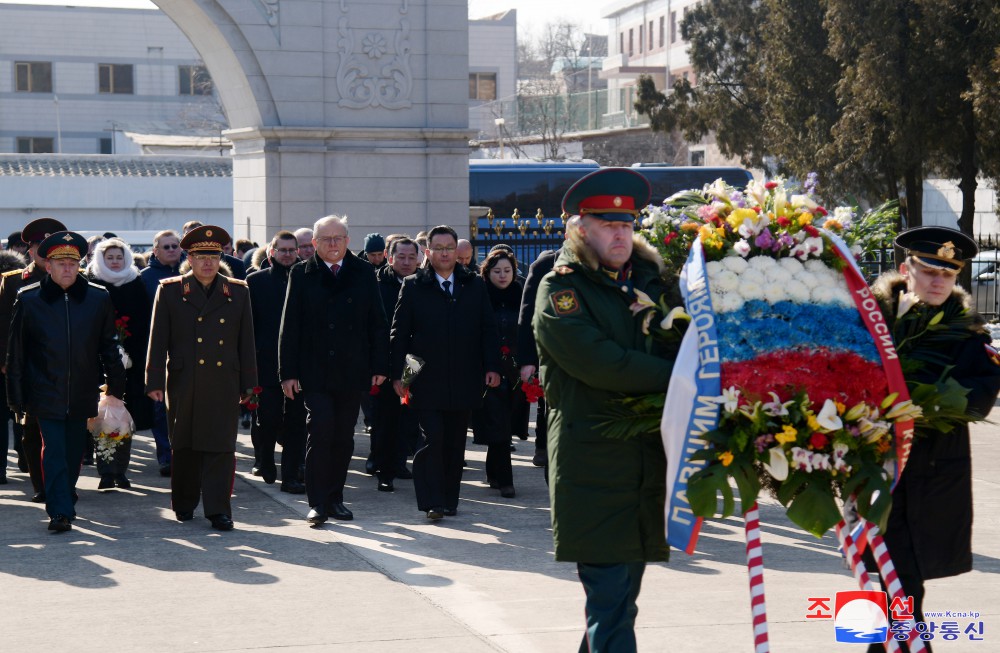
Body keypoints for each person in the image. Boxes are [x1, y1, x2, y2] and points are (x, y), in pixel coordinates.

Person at [533, 168, 678, 651]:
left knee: (617, 603)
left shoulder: (651, 285)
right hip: (591, 463)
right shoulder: (561, 290)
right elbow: (602, 364)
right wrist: (682, 380)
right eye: (607, 224)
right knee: (612, 601)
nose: (620, 234)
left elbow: (681, 341)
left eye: (627, 225)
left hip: (642, 464)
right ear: (581, 229)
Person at [864, 227, 1000, 653]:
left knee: (902, 589)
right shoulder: (875, 323)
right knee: (897, 590)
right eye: (929, 272)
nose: (939, 282)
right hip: (881, 475)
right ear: (907, 270)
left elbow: (980, 398)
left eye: (949, 273)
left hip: (936, 478)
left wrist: (929, 404)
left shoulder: (969, 334)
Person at [6, 231, 126, 532]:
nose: (68, 268)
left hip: (83, 390)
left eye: (73, 262)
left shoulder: (98, 298)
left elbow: (110, 346)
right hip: (44, 390)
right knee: (55, 449)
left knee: (74, 452)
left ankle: (64, 494)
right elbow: (16, 353)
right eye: (61, 263)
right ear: (48, 265)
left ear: (80, 264)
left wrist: (116, 388)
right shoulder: (30, 299)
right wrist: (16, 397)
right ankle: (59, 510)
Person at [146, 225, 257, 531]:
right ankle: (184, 503)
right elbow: (158, 340)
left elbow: (246, 341)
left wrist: (250, 383)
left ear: (221, 257)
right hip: (185, 380)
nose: (208, 262)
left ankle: (218, 509)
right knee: (184, 445)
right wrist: (153, 381)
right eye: (200, 256)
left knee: (221, 447)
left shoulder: (237, 291)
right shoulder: (170, 290)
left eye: (213, 255)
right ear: (189, 258)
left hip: (224, 380)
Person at [279, 216, 389, 524]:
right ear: (313, 243)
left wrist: (380, 364)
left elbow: (377, 322)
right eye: (325, 239)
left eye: (337, 238)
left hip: (352, 369)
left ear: (347, 241)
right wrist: (287, 372)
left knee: (343, 436)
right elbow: (290, 327)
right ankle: (317, 502)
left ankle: (335, 498)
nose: (332, 244)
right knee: (321, 429)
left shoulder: (364, 272)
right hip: (314, 370)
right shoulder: (302, 273)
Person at [389, 225, 501, 520]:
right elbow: (399, 334)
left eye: (449, 247)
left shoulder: (474, 284)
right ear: (427, 252)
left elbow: (488, 328)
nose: (444, 253)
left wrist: (492, 366)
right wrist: (397, 374)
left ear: (458, 251)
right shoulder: (413, 285)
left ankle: (450, 499)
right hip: (424, 375)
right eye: (438, 248)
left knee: (454, 441)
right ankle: (431, 501)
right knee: (432, 438)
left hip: (465, 376)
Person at [0, 217, 66, 502]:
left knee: (66, 432)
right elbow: (3, 325)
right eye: (39, 246)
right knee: (30, 429)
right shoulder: (13, 281)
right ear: (29, 250)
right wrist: (7, 363)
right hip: (27, 367)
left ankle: (64, 483)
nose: (44, 251)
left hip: (66, 367)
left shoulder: (74, 277)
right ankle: (41, 485)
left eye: (49, 246)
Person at [86, 237, 152, 490]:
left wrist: (131, 352)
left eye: (119, 257)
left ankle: (121, 471)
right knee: (101, 417)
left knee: (124, 418)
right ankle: (105, 471)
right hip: (98, 362)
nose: (115, 262)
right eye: (110, 257)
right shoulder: (92, 282)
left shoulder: (135, 282)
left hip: (130, 364)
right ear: (101, 259)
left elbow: (145, 323)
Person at [246, 231, 306, 494]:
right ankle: (265, 459)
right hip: (266, 364)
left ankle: (291, 475)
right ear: (271, 252)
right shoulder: (255, 282)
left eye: (291, 250)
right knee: (268, 419)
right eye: (282, 250)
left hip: (300, 365)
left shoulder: (308, 278)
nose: (287, 254)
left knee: (296, 423)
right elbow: (247, 326)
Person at [472, 248, 523, 498]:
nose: (503, 276)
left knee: (505, 423)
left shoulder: (521, 295)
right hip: (488, 370)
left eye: (507, 271)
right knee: (497, 421)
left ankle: (493, 471)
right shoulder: (479, 295)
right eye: (497, 271)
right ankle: (505, 480)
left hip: (515, 371)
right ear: (487, 272)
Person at [370, 236, 420, 491]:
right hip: (386, 361)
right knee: (385, 419)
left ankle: (400, 462)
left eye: (412, 257)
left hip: (414, 361)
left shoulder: (422, 282)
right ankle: (384, 470)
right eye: (401, 257)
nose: (407, 262)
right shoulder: (377, 284)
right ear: (390, 258)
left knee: (408, 416)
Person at [140, 229, 183, 477]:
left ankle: (185, 455)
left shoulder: (190, 273)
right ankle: (166, 457)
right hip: (157, 351)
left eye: (174, 246)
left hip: (187, 350)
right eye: (165, 247)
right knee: (160, 409)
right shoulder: (145, 278)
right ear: (155, 251)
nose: (171, 250)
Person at [0, 248, 26, 484]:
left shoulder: (14, 283)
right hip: (7, 361)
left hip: (17, 362)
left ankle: (24, 454)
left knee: (20, 413)